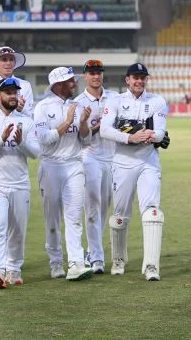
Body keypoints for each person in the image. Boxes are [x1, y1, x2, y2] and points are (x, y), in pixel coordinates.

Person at [100, 63, 167, 281]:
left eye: (143, 78)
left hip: (148, 162)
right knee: (120, 216)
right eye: (135, 78)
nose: (139, 81)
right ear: (127, 79)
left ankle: (151, 265)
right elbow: (105, 130)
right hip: (122, 163)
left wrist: (147, 134)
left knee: (152, 212)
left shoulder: (156, 101)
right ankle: (119, 258)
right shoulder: (115, 101)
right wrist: (130, 137)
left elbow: (160, 133)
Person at [0, 77, 40, 289]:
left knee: (18, 230)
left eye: (15, 93)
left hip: (20, 183)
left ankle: (14, 268)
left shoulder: (27, 122)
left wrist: (20, 142)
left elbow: (36, 153)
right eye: (8, 93)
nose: (13, 96)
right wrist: (1, 139)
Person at [34, 67, 94, 281]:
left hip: (74, 165)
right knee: (52, 219)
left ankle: (76, 263)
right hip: (51, 166)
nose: (74, 84)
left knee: (74, 216)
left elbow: (85, 140)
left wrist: (84, 123)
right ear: (58, 85)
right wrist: (68, 121)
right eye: (70, 81)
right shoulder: (42, 107)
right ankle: (56, 261)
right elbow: (44, 139)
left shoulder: (77, 106)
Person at [74, 60, 118, 274]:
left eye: (99, 73)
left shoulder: (114, 98)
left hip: (113, 157)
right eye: (91, 73)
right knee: (92, 208)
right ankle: (97, 258)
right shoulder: (79, 102)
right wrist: (98, 125)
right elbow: (81, 138)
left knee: (104, 208)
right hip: (90, 156)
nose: (96, 76)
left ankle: (93, 251)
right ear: (85, 76)